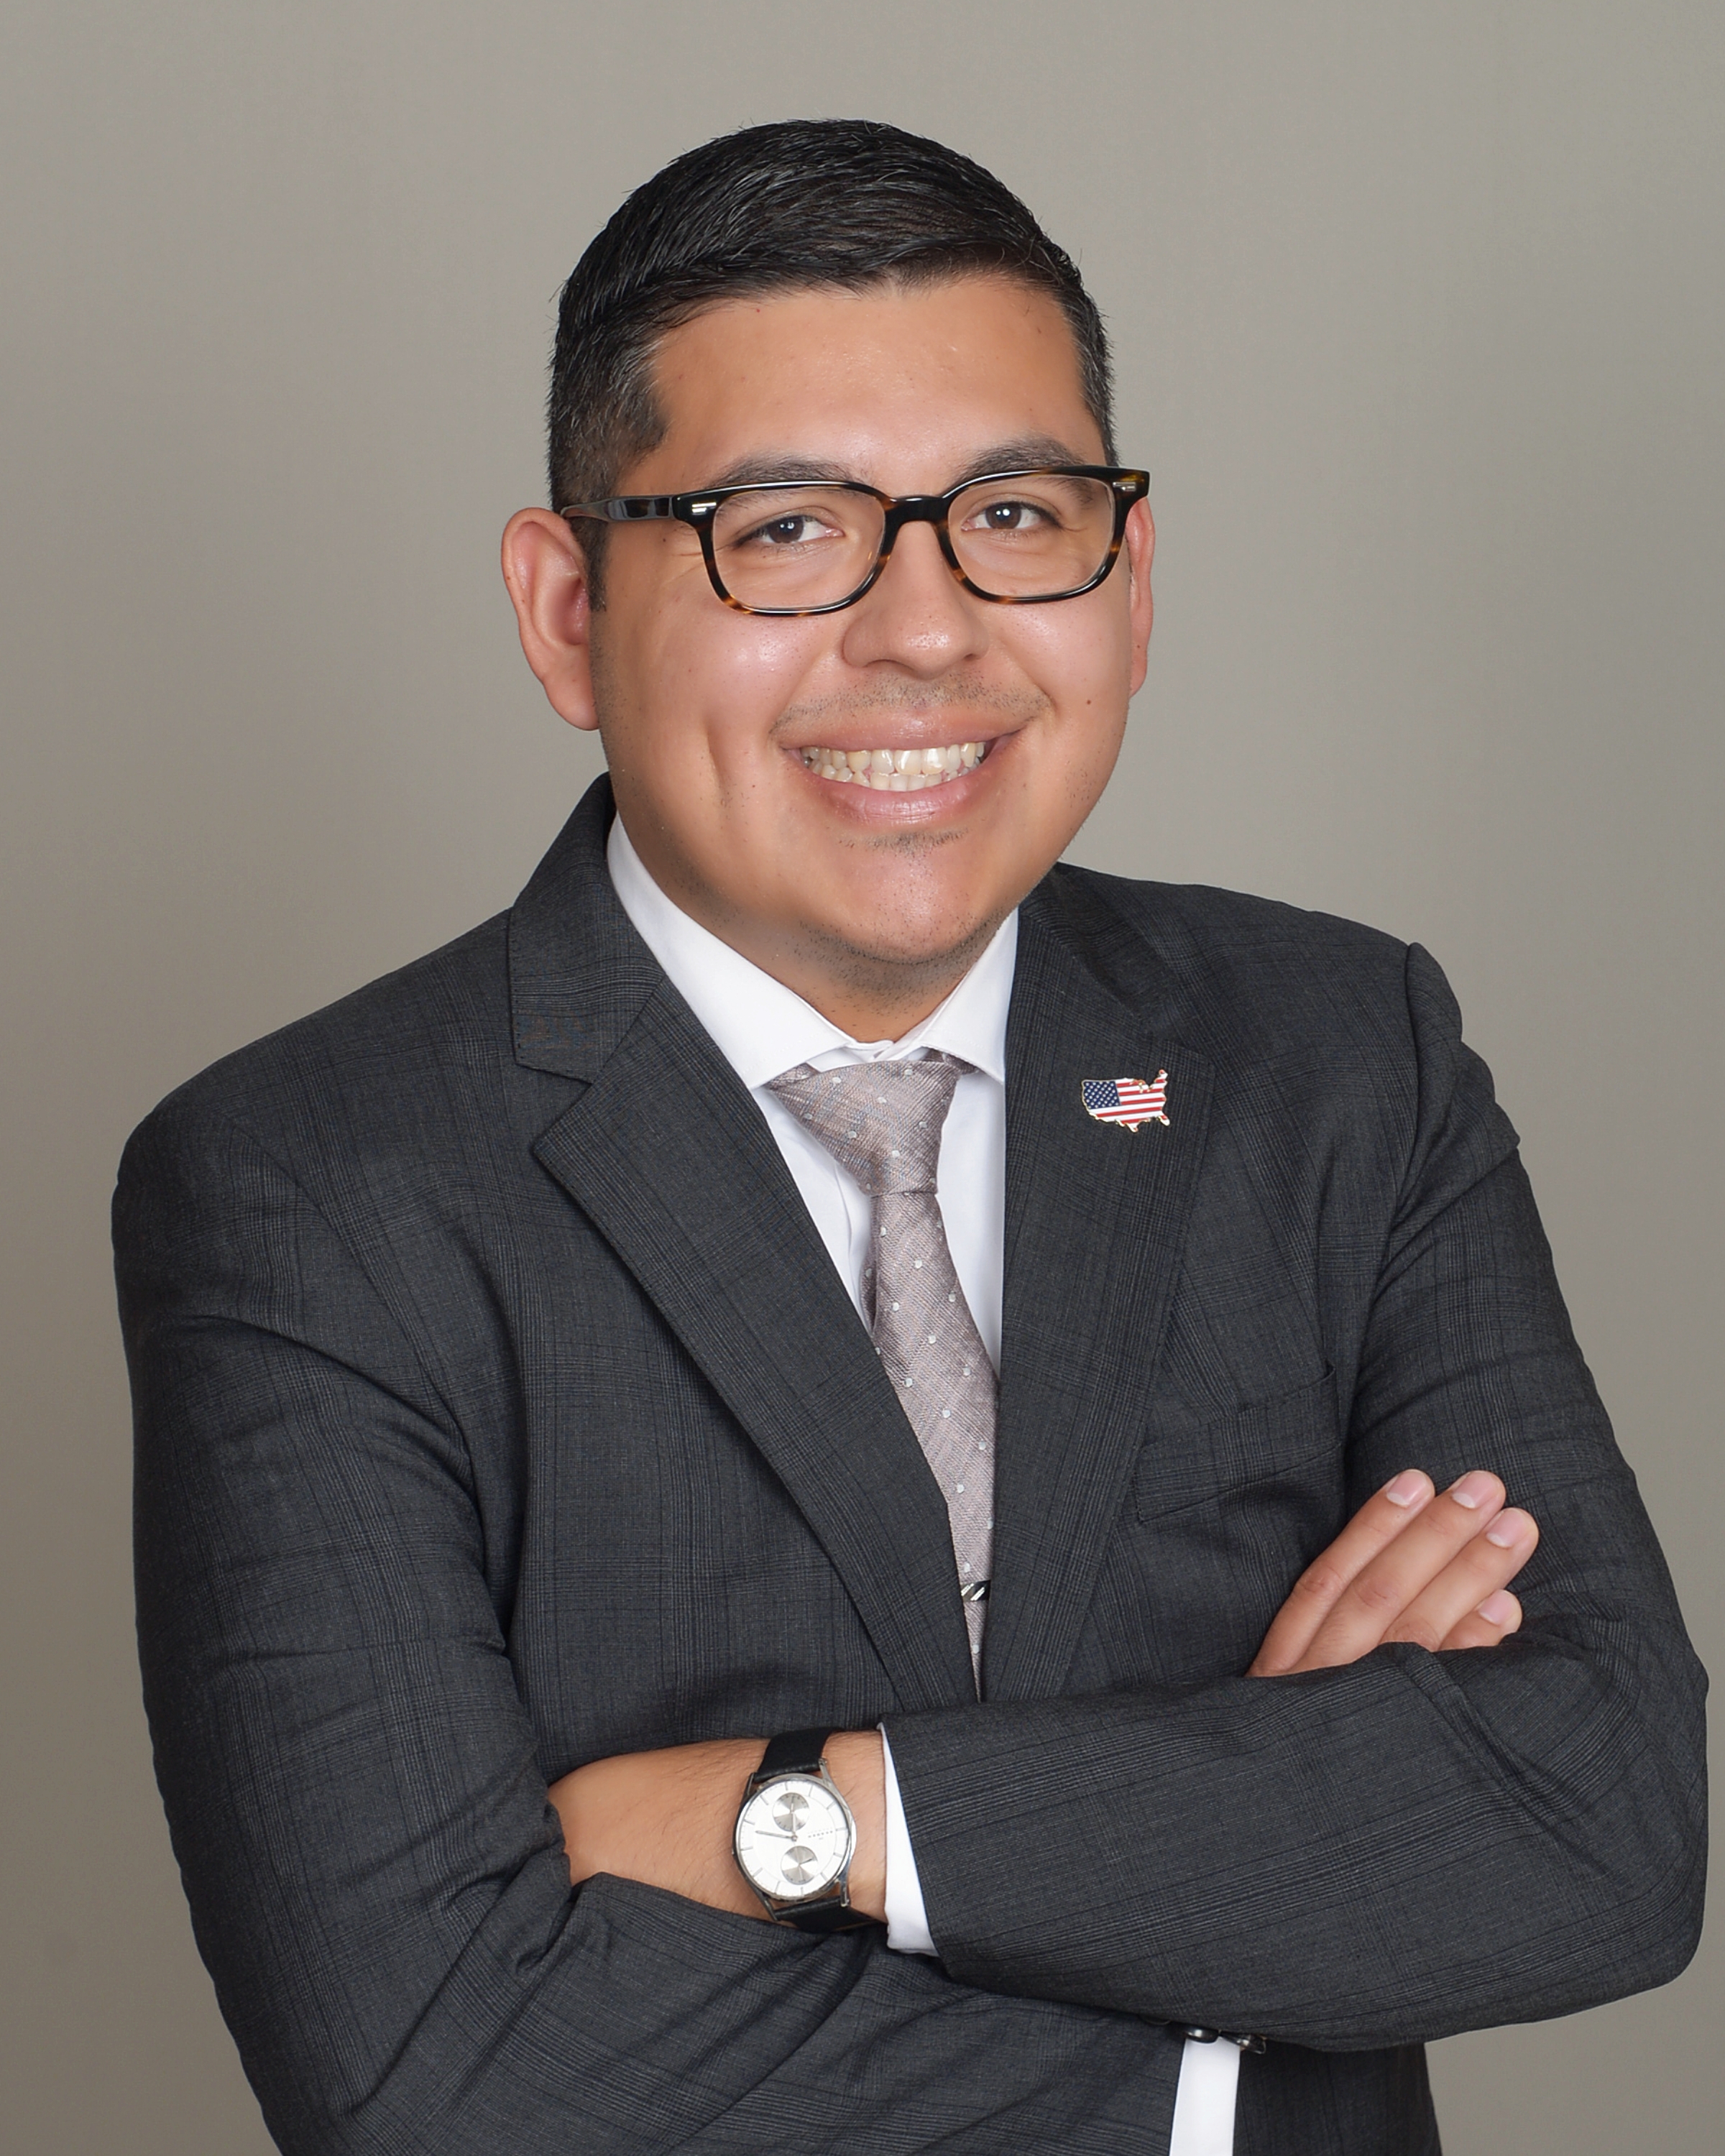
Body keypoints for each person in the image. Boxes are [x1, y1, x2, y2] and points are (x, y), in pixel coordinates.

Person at [116, 119, 1705, 2156]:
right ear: (566, 612)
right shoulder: (312, 1187)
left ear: (1130, 582)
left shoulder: (1337, 1057)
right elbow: (436, 2075)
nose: (928, 631)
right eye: (784, 532)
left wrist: (802, 1821)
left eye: (1016, 516)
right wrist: (1257, 1928)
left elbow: (1603, 1826)